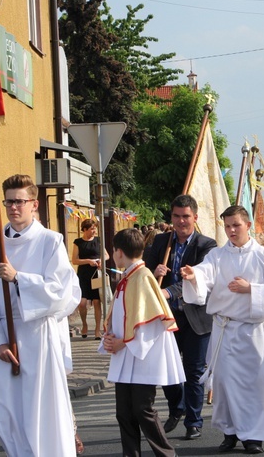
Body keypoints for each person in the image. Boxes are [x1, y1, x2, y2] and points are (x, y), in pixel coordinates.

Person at [0, 174, 81, 456]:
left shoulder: (50, 242)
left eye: (20, 201)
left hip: (38, 334)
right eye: (9, 202)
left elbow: (62, 292)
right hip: (5, 339)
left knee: (41, 411)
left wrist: (20, 279)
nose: (14, 208)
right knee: (5, 413)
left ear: (35, 204)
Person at [181, 205, 264, 454]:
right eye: (227, 226)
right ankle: (230, 432)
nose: (230, 230)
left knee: (254, 384)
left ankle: (253, 437)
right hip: (225, 329)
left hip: (253, 331)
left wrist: (251, 288)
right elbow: (205, 273)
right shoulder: (217, 256)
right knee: (226, 384)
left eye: (235, 225)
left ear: (248, 225)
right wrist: (193, 275)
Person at [101, 228, 184, 457]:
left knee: (142, 410)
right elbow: (121, 315)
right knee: (124, 413)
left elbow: (152, 322)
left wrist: (123, 343)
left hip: (141, 355)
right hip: (126, 353)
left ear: (118, 252)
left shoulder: (143, 276)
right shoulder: (129, 276)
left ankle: (167, 454)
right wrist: (109, 337)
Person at [143, 194, 217, 440]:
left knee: (193, 371)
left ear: (195, 218)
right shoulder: (161, 242)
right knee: (166, 369)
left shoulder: (207, 246)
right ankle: (177, 408)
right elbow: (143, 274)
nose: (181, 221)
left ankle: (194, 421)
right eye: (176, 216)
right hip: (166, 317)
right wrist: (154, 273)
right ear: (171, 217)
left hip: (196, 317)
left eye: (186, 216)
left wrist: (167, 290)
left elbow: (198, 278)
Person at [72, 219, 109, 340]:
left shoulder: (98, 241)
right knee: (82, 303)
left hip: (97, 274)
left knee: (97, 301)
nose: (94, 231)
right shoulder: (78, 242)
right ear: (85, 229)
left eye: (95, 228)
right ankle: (84, 324)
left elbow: (106, 255)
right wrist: (88, 261)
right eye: (92, 229)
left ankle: (98, 329)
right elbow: (75, 260)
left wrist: (100, 261)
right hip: (83, 275)